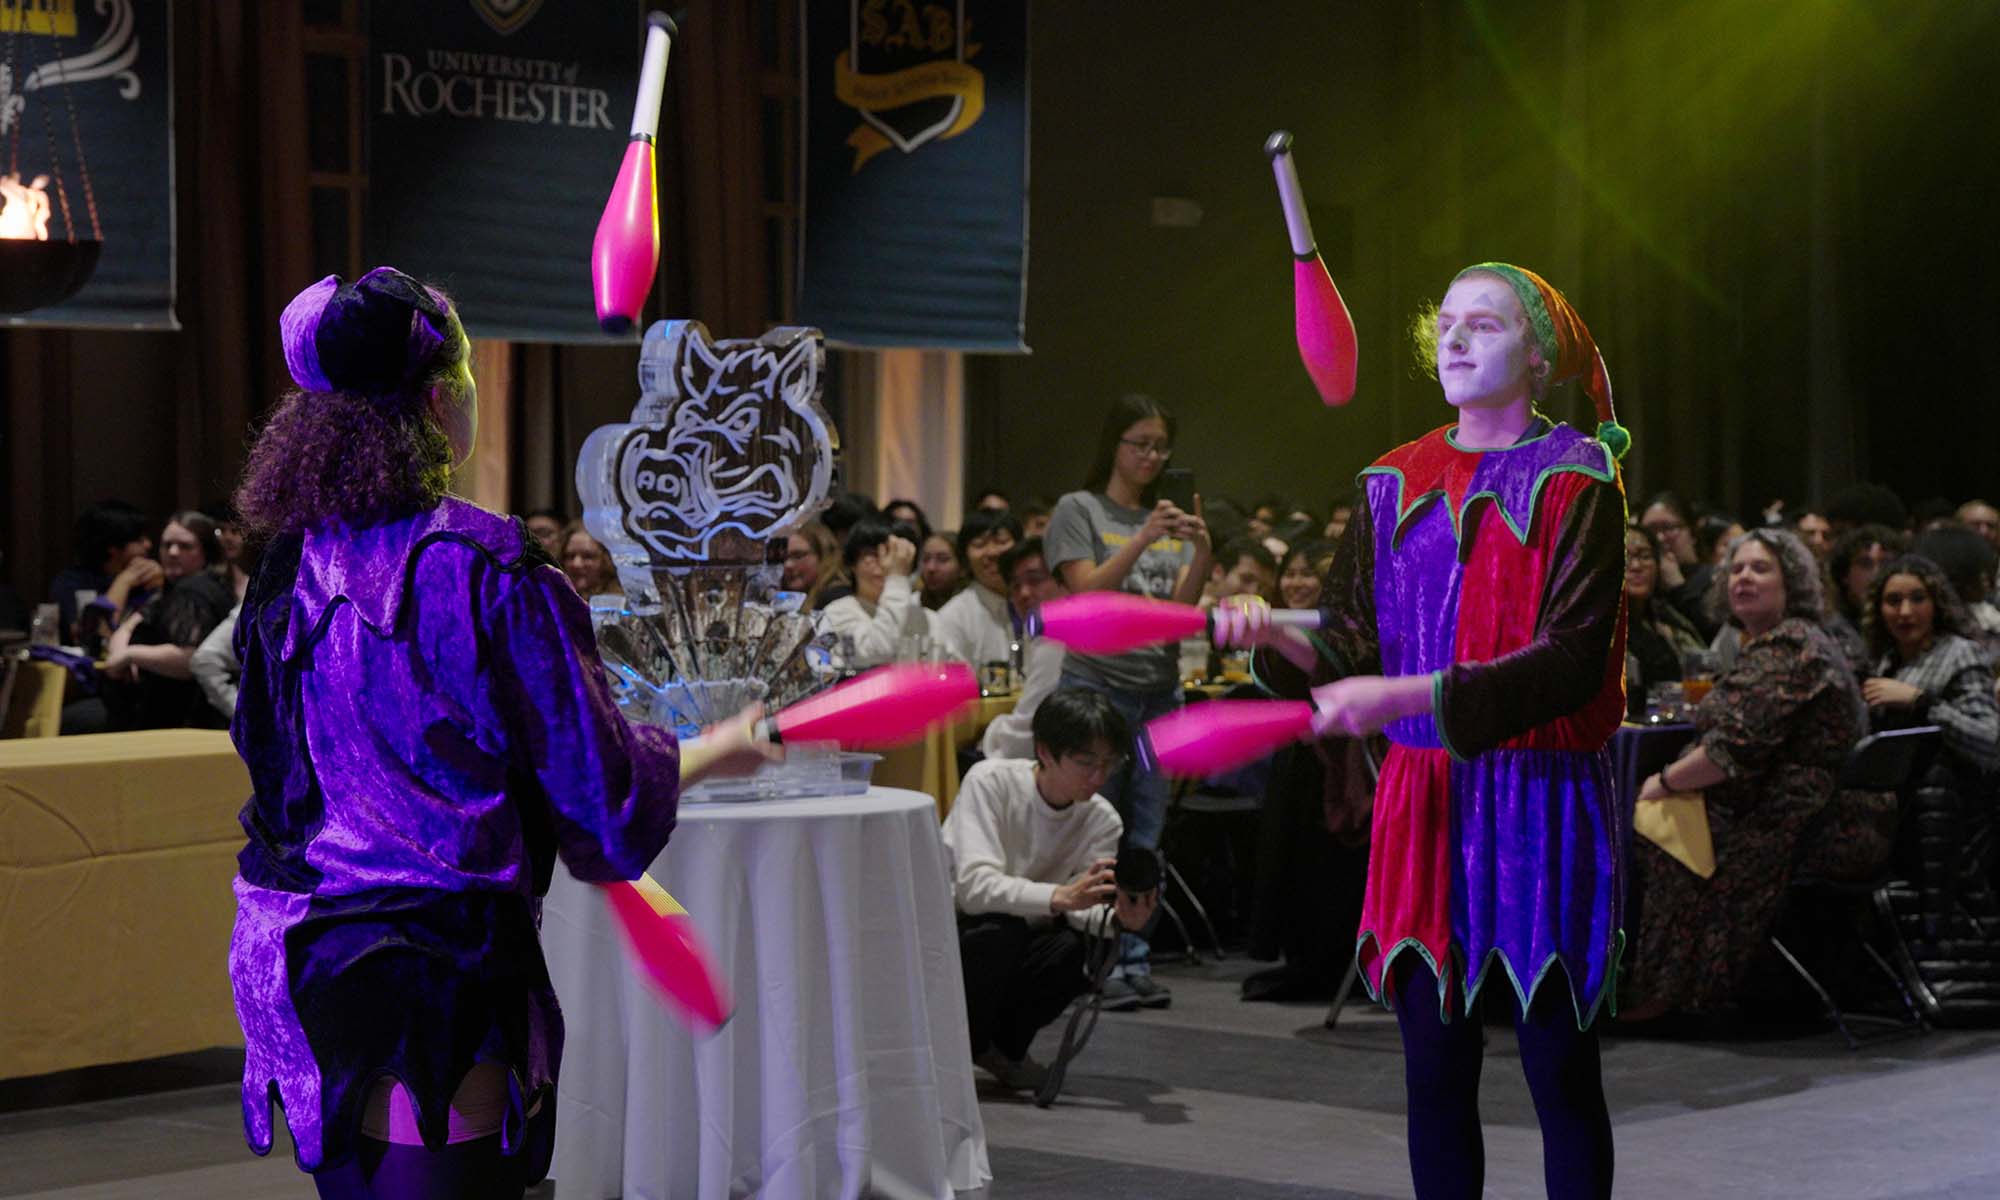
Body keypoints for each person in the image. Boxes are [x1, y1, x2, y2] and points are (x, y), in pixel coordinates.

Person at [226, 268, 775, 1198]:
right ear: (442, 401)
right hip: (434, 964)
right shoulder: (487, 568)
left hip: (297, 951)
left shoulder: (288, 569)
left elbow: (273, 770)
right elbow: (594, 796)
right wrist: (722, 746)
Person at [1218, 262, 1627, 1199]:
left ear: (1537, 353)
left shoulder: (1579, 477)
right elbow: (1353, 640)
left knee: (1559, 1070)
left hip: (1540, 802)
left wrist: (1402, 700)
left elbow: (1569, 662)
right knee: (1434, 1074)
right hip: (1425, 801)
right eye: (1444, 323)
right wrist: (1284, 639)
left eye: (1482, 325)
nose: (1452, 339)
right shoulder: (1389, 480)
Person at [1623, 530, 1866, 1021]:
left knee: (1642, 825)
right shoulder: (1781, 643)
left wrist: (1662, 782)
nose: (1743, 578)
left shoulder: (1789, 650)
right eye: (1736, 569)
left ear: (1791, 582)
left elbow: (1724, 756)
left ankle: (1672, 993)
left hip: (1789, 823)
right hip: (1801, 812)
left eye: (1760, 568)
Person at [1044, 394, 1212, 1011]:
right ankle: (1094, 961)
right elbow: (1085, 592)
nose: (1151, 456)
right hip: (1096, 687)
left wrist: (1203, 553)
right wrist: (1142, 538)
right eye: (1139, 443)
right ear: (1114, 445)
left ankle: (1133, 958)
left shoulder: (1166, 519)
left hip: (1157, 687)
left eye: (1160, 446)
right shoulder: (1079, 509)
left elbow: (1177, 618)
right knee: (1096, 829)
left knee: (1146, 832)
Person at [942, 688, 1155, 1084]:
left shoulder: (1102, 819)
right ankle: (955, 1049)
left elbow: (1085, 909)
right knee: (998, 932)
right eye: (1085, 762)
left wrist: (1120, 919)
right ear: (1044, 751)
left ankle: (1003, 1048)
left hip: (1027, 931)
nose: (1098, 777)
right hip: (956, 930)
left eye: (1109, 763)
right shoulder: (991, 782)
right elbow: (973, 888)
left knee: (1084, 946)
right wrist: (1059, 897)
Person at [1860, 554, 2000, 775]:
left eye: (1917, 598)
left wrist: (1921, 702)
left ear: (1936, 603)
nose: (1905, 612)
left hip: (1951, 803)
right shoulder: (1884, 661)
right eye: (1894, 601)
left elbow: (1990, 742)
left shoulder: (1960, 653)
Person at [99, 511, 237, 731]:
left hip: (180, 720)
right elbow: (132, 623)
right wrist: (124, 648)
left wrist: (129, 655)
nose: (173, 552)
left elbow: (190, 659)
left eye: (185, 546)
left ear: (205, 552)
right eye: (167, 545)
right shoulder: (175, 588)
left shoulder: (194, 592)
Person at [981, 538, 1067, 761]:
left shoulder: (1056, 639)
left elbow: (1023, 737)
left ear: (1065, 580)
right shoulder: (1043, 637)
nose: (1024, 593)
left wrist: (990, 734)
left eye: (1035, 580)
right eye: (1015, 586)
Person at [818, 515, 929, 669]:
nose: (885, 563)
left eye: (892, 553)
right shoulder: (835, 614)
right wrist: (896, 576)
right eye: (872, 554)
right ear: (852, 562)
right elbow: (878, 649)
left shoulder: (927, 619)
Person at [1623, 523, 1707, 715]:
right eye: (1626, 557)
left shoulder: (1669, 619)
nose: (1636, 566)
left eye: (1645, 556)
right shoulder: (1594, 625)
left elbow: (1703, 669)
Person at [54, 501, 155, 650]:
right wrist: (124, 582)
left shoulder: (148, 579)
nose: (148, 545)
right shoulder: (71, 583)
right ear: (112, 548)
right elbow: (94, 638)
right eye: (139, 540)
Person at [933, 508, 1022, 665]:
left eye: (1001, 542)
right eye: (979, 544)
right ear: (965, 557)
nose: (992, 552)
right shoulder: (953, 617)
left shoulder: (1033, 604)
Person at [1819, 523, 1903, 677]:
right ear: (1845, 575)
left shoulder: (1910, 629)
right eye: (1865, 564)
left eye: (1887, 564)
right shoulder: (1827, 634)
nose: (1877, 574)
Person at [781, 520, 845, 610]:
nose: (788, 565)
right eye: (784, 558)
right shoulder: (785, 598)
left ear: (823, 556)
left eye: (798, 556)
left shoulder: (837, 600)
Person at [558, 522, 621, 598]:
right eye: (570, 556)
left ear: (608, 560)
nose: (576, 564)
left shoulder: (623, 605)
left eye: (588, 556)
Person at [918, 530, 964, 610]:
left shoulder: (972, 606)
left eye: (942, 559)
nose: (931, 568)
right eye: (926, 559)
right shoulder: (913, 602)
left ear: (963, 567)